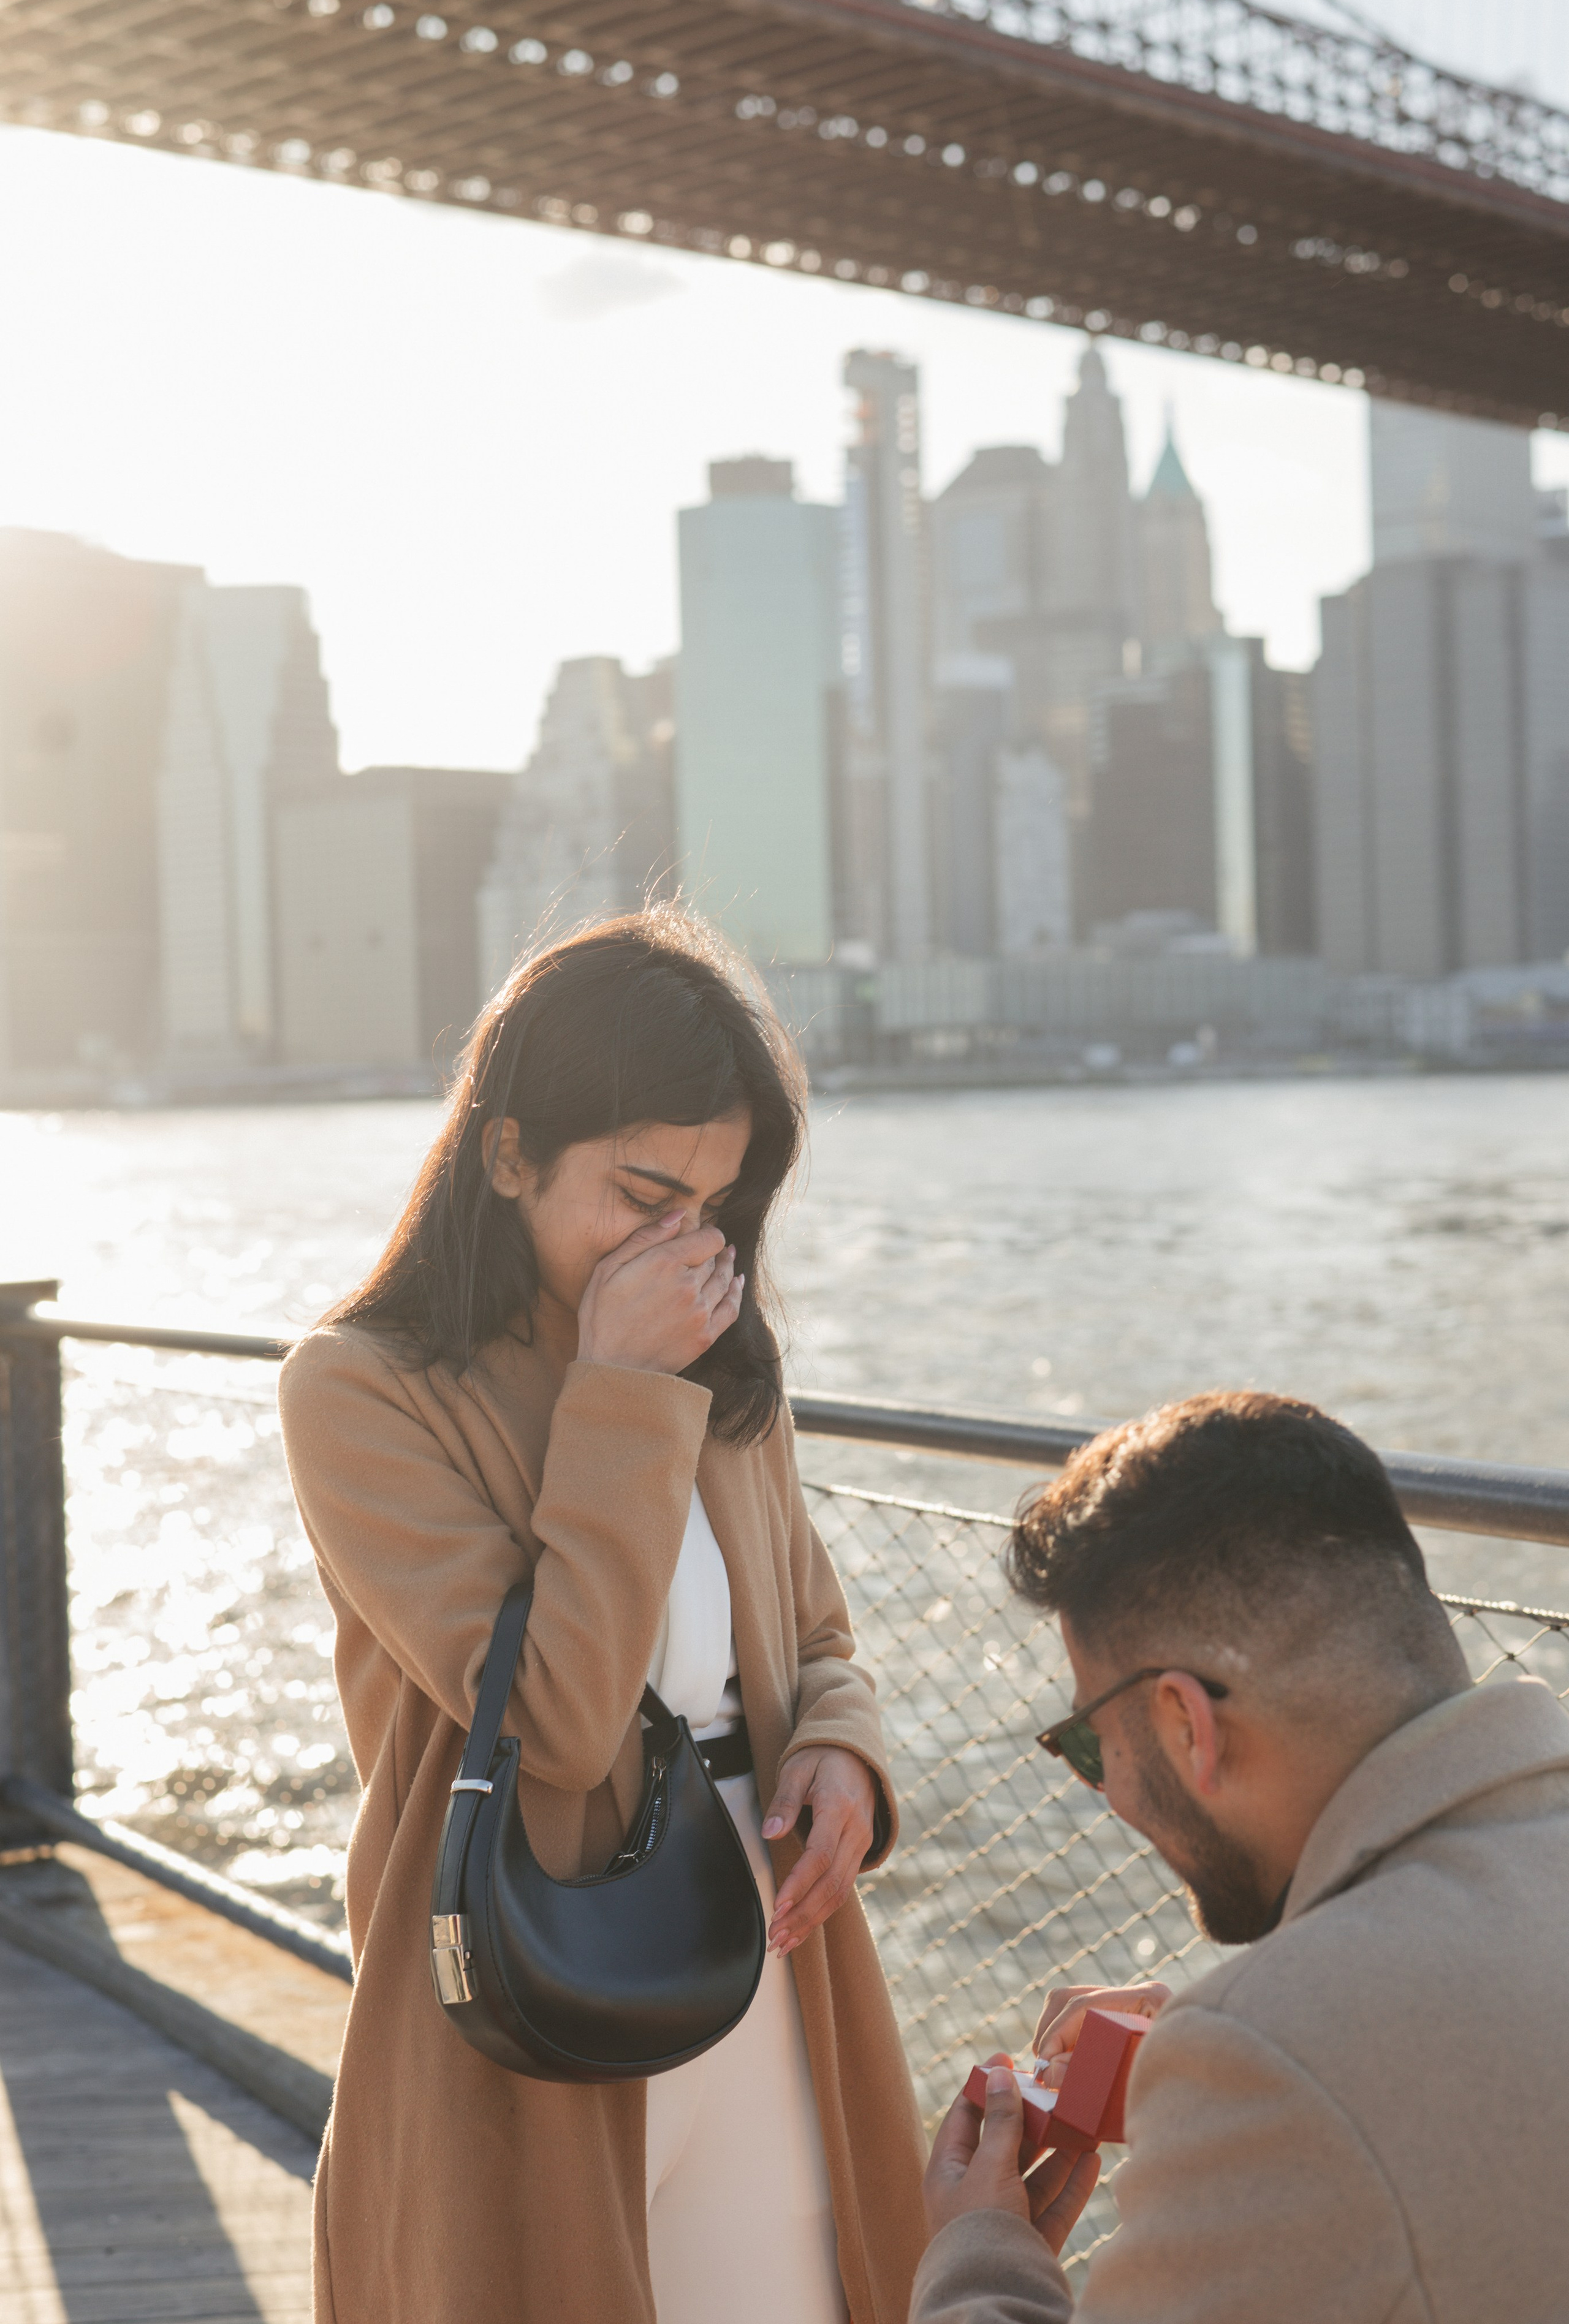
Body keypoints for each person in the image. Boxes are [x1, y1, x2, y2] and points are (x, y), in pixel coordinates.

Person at [278, 908, 927, 2324]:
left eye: (714, 1203)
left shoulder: (719, 1360)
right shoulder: (361, 1389)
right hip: (532, 1976)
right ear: (508, 1152)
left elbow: (816, 1637)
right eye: (642, 1193)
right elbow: (560, 1723)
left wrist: (840, 1753)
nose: (682, 1240)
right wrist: (624, 1387)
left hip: (766, 1955)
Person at [914, 1388, 1569, 2324]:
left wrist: (977, 2257)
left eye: (1090, 1744)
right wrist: (1207, 2066)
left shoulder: (1280, 2052)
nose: (1101, 1790)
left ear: (1189, 1724)